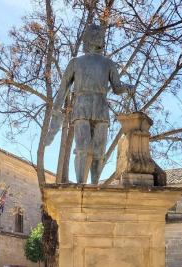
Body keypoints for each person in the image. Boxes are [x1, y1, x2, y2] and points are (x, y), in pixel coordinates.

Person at [45, 24, 135, 184]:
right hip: (86, 106)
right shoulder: (80, 62)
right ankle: (84, 184)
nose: (98, 38)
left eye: (98, 35)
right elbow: (63, 88)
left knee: (94, 150)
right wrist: (56, 112)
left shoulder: (104, 63)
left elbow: (116, 87)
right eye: (96, 35)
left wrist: (127, 88)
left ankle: (92, 185)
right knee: (84, 149)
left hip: (95, 107)